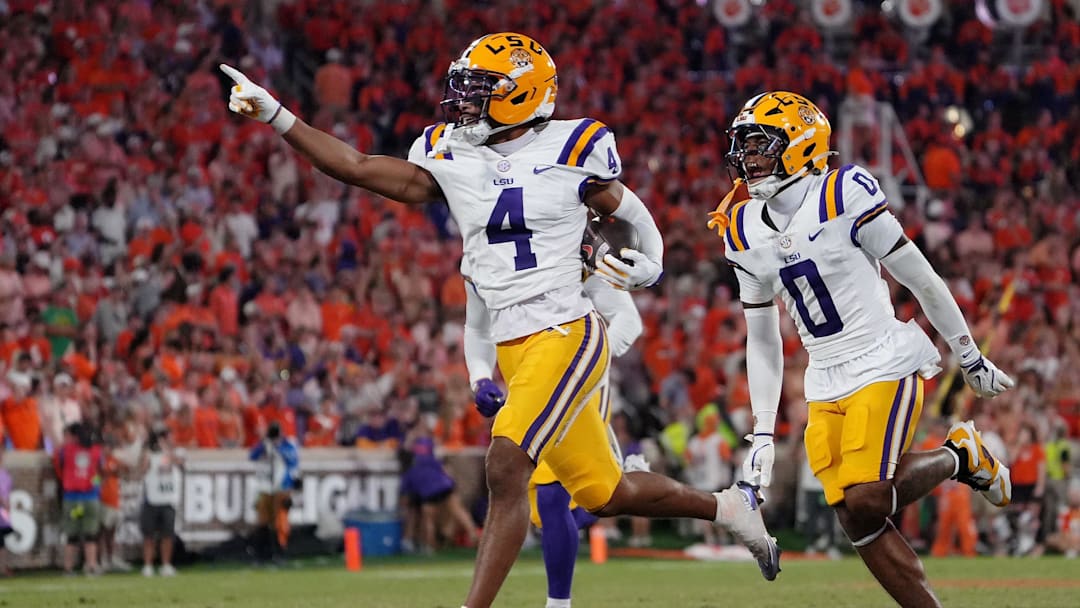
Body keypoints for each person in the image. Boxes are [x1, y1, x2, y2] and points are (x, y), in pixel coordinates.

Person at [222, 32, 778, 608]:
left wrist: (654, 258)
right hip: (515, 341)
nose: (464, 101)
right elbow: (359, 167)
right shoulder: (451, 151)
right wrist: (277, 115)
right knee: (605, 493)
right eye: (464, 88)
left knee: (506, 464)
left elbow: (626, 205)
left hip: (567, 331)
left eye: (481, 90)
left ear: (523, 94)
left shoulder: (573, 144)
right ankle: (729, 508)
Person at [715, 91, 1014, 607]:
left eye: (761, 145)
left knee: (869, 495)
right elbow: (760, 333)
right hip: (823, 375)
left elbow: (920, 277)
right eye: (743, 146)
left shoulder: (842, 193)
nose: (748, 158)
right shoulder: (740, 228)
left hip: (881, 357)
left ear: (801, 145)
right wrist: (763, 429)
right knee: (854, 514)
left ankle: (960, 455)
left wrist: (968, 353)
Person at [464, 258, 644, 608]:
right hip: (531, 381)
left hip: (578, 375)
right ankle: (628, 483)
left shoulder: (571, 244)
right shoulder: (482, 253)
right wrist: (480, 376)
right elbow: (478, 327)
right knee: (549, 508)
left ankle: (558, 603)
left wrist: (596, 360)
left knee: (551, 496)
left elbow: (628, 319)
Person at [53, 422, 103, 576]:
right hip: (90, 499)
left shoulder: (65, 451)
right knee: (90, 534)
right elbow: (99, 473)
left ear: (73, 436)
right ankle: (91, 566)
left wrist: (69, 481)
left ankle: (68, 568)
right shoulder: (96, 451)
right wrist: (95, 487)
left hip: (73, 500)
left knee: (72, 535)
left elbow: (58, 468)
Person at [248, 421, 299, 563]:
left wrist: (276, 448)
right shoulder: (265, 445)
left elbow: (293, 461)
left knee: (280, 522)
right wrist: (265, 443)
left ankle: (280, 553)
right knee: (263, 521)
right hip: (265, 487)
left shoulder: (288, 445)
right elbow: (252, 456)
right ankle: (262, 554)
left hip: (282, 487)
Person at [140, 425, 182, 577]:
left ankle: (166, 564)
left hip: (168, 499)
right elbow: (142, 469)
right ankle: (148, 565)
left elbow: (180, 462)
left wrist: (167, 451)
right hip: (152, 498)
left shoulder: (174, 453)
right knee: (149, 535)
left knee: (167, 535)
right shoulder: (149, 455)